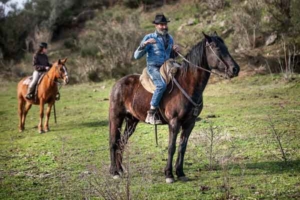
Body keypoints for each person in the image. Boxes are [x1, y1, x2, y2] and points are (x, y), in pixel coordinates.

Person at [134, 13, 180, 125]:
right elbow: (136, 56)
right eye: (161, 25)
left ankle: (184, 110)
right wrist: (144, 45)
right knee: (161, 85)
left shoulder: (170, 38)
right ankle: (151, 113)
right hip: (153, 67)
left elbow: (170, 56)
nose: (164, 27)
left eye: (165, 24)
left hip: (167, 66)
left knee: (183, 77)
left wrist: (175, 52)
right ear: (156, 25)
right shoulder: (149, 38)